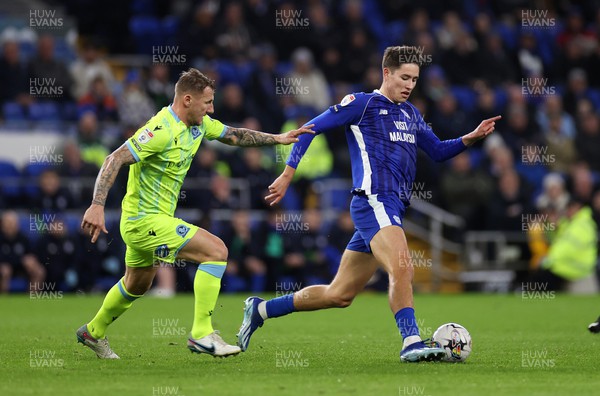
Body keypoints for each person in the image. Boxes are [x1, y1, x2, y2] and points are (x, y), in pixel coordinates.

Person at [236, 46, 500, 363]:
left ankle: (261, 309)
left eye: (415, 79)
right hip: (373, 200)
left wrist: (470, 137)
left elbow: (439, 151)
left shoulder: (411, 114)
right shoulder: (362, 104)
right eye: (404, 77)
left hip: (391, 207)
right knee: (402, 265)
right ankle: (411, 341)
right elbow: (309, 129)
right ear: (386, 72)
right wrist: (288, 172)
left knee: (340, 294)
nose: (409, 85)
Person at [76, 68, 314, 359]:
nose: (211, 109)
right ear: (187, 99)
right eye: (207, 103)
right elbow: (114, 158)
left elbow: (234, 136)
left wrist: (278, 138)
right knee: (216, 250)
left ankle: (93, 331)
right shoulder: (160, 130)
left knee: (136, 284)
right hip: (144, 221)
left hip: (150, 222)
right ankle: (202, 333)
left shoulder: (198, 125)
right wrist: (97, 205)